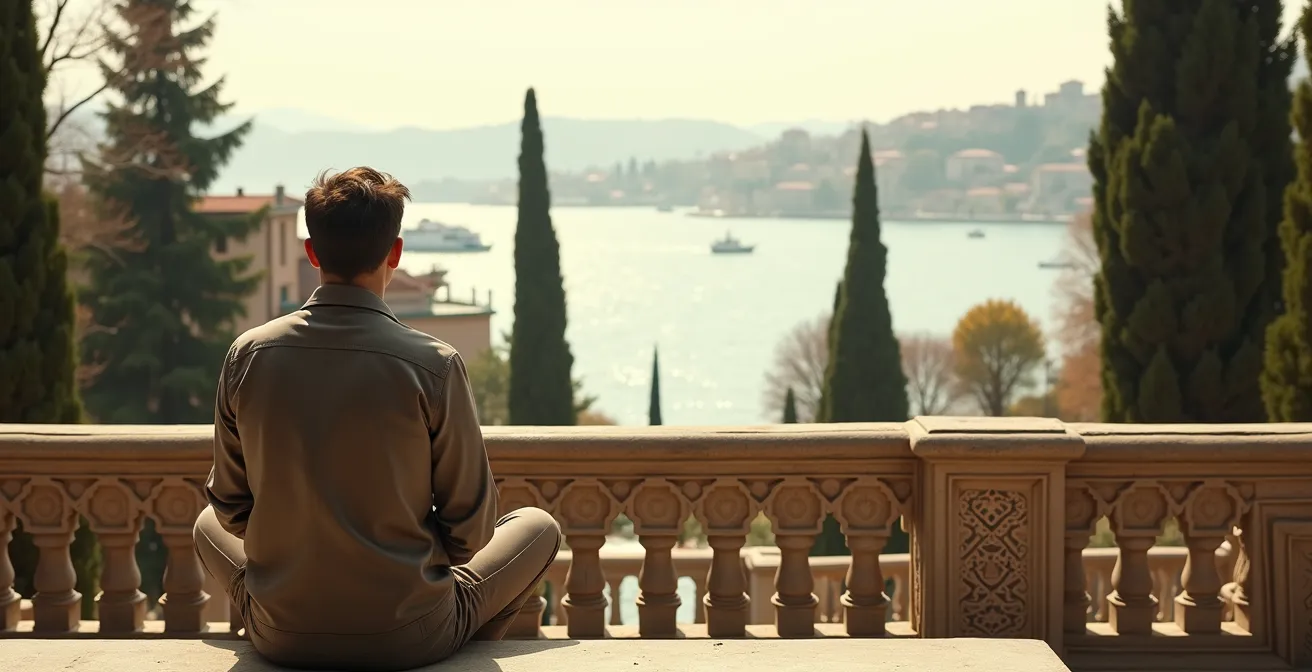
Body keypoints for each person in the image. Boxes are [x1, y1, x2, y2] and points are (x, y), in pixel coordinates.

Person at [193, 167, 560, 671]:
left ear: (312, 253)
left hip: (282, 634)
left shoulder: (248, 355)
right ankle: (456, 657)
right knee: (539, 527)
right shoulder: (433, 365)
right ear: (395, 252)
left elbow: (231, 510)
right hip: (409, 635)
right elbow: (471, 532)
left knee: (204, 523)